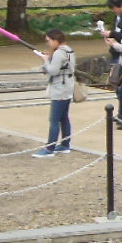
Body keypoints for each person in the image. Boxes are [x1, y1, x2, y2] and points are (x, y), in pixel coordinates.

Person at [31, 29, 76, 158]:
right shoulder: (69, 50)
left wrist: (45, 60)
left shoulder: (58, 53)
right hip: (67, 86)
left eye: (49, 41)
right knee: (64, 117)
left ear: (56, 40)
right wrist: (49, 58)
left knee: (54, 119)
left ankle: (50, 148)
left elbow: (53, 70)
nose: (48, 43)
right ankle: (65, 144)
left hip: (59, 88)